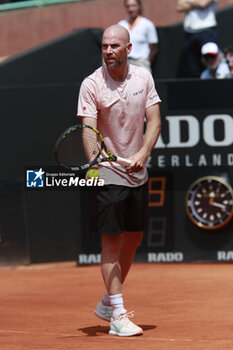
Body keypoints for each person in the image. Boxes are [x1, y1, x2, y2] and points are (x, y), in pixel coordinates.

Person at [77, 24, 161, 336]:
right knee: (111, 240)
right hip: (107, 173)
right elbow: (88, 128)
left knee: (134, 237)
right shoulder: (91, 84)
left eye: (115, 46)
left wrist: (143, 152)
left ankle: (106, 301)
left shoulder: (144, 77)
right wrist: (95, 162)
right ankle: (117, 314)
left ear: (128, 49)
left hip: (137, 172)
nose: (109, 51)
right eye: (104, 46)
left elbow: (154, 120)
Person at [177, 0, 219, 77]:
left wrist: (188, 2)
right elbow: (179, 6)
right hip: (189, 33)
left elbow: (202, 4)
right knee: (193, 68)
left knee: (210, 63)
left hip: (206, 31)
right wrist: (196, 4)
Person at [118, 0, 159, 73]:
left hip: (141, 62)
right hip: (125, 63)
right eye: (128, 6)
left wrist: (146, 62)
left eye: (133, 6)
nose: (130, 9)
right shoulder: (121, 24)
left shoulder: (147, 24)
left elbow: (154, 47)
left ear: (139, 7)